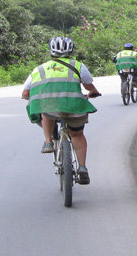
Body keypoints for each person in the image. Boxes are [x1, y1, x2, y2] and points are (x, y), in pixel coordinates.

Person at [21, 36, 101, 185]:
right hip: (74, 107)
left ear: (51, 51)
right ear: (71, 51)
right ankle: (82, 168)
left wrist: (32, 97)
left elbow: (25, 93)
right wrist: (93, 92)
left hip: (51, 109)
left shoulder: (40, 69)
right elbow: (89, 86)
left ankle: (47, 141)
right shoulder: (78, 66)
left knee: (46, 111)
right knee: (77, 134)